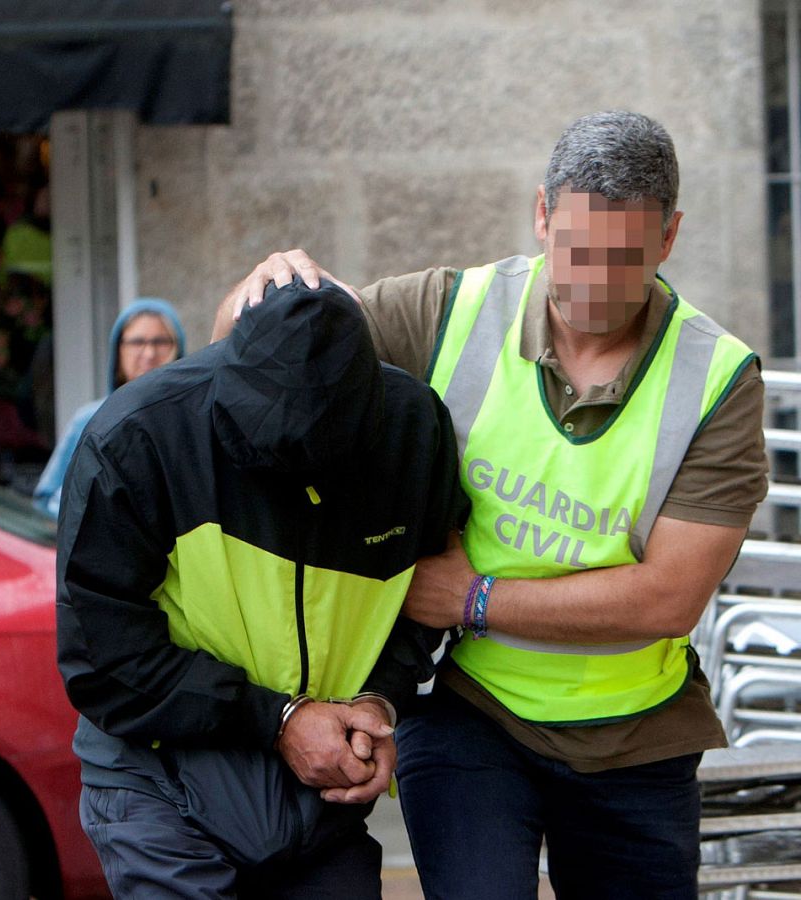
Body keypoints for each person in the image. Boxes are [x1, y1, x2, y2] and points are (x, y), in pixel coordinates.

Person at [217, 111, 767, 899]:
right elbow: (254, 363)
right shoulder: (449, 310)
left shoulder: (719, 377)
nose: (595, 283)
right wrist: (260, 294)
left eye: (626, 258)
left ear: (670, 237)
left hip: (637, 740)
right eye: (577, 249)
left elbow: (668, 597)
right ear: (542, 213)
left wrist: (473, 599)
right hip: (471, 711)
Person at [56, 278, 468, 898]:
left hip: (317, 805)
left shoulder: (413, 431)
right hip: (162, 784)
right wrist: (278, 718)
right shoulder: (138, 438)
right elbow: (99, 658)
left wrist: (377, 703)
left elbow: (426, 601)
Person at [33, 298, 186, 518]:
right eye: (137, 342)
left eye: (161, 342)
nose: (149, 353)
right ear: (119, 349)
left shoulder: (192, 420)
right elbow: (47, 499)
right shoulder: (90, 419)